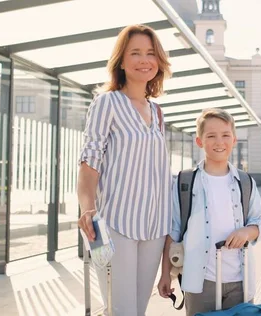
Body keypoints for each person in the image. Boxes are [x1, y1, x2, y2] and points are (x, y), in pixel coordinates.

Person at [77, 24, 172, 316]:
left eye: (150, 53)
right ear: (121, 60)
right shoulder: (107, 103)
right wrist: (88, 209)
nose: (145, 60)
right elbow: (89, 161)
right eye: (136, 53)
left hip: (155, 225)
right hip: (115, 222)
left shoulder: (157, 112)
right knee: (120, 310)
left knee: (137, 310)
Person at [157, 108, 261, 316]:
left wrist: (246, 232)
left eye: (225, 135)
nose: (219, 142)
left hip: (240, 281)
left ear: (234, 139)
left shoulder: (245, 182)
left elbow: (259, 222)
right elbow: (173, 231)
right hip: (199, 282)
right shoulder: (185, 181)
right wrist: (165, 274)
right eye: (211, 136)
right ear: (199, 141)